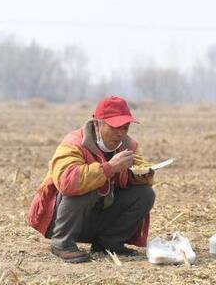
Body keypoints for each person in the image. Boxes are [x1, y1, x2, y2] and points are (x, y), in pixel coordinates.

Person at [27, 96, 156, 263]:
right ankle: (62, 243)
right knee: (86, 185)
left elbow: (134, 176)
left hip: (97, 215)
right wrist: (109, 168)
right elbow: (68, 183)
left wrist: (143, 175)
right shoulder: (74, 143)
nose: (120, 133)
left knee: (145, 194)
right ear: (97, 123)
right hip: (61, 219)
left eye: (125, 127)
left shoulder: (128, 146)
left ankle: (108, 243)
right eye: (115, 127)